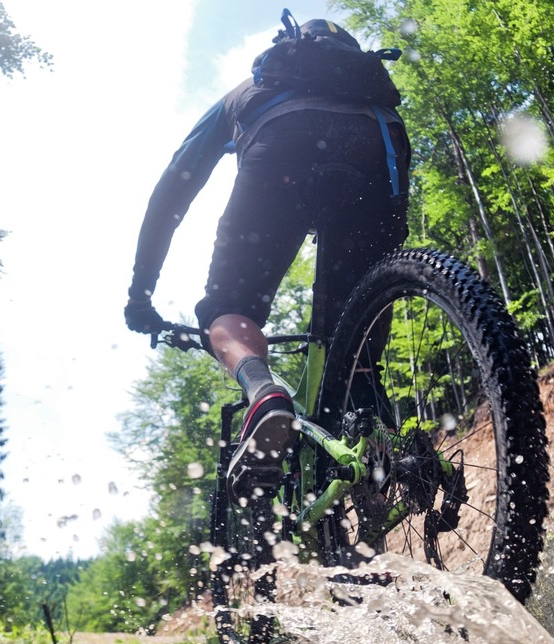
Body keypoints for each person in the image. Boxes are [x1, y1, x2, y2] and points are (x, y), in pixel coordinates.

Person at [124, 16, 411, 491]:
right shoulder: (369, 93)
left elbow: (172, 191)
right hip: (381, 147)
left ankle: (263, 394)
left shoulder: (249, 91)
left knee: (226, 308)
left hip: (284, 143)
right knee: (352, 334)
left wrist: (141, 292)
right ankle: (388, 445)